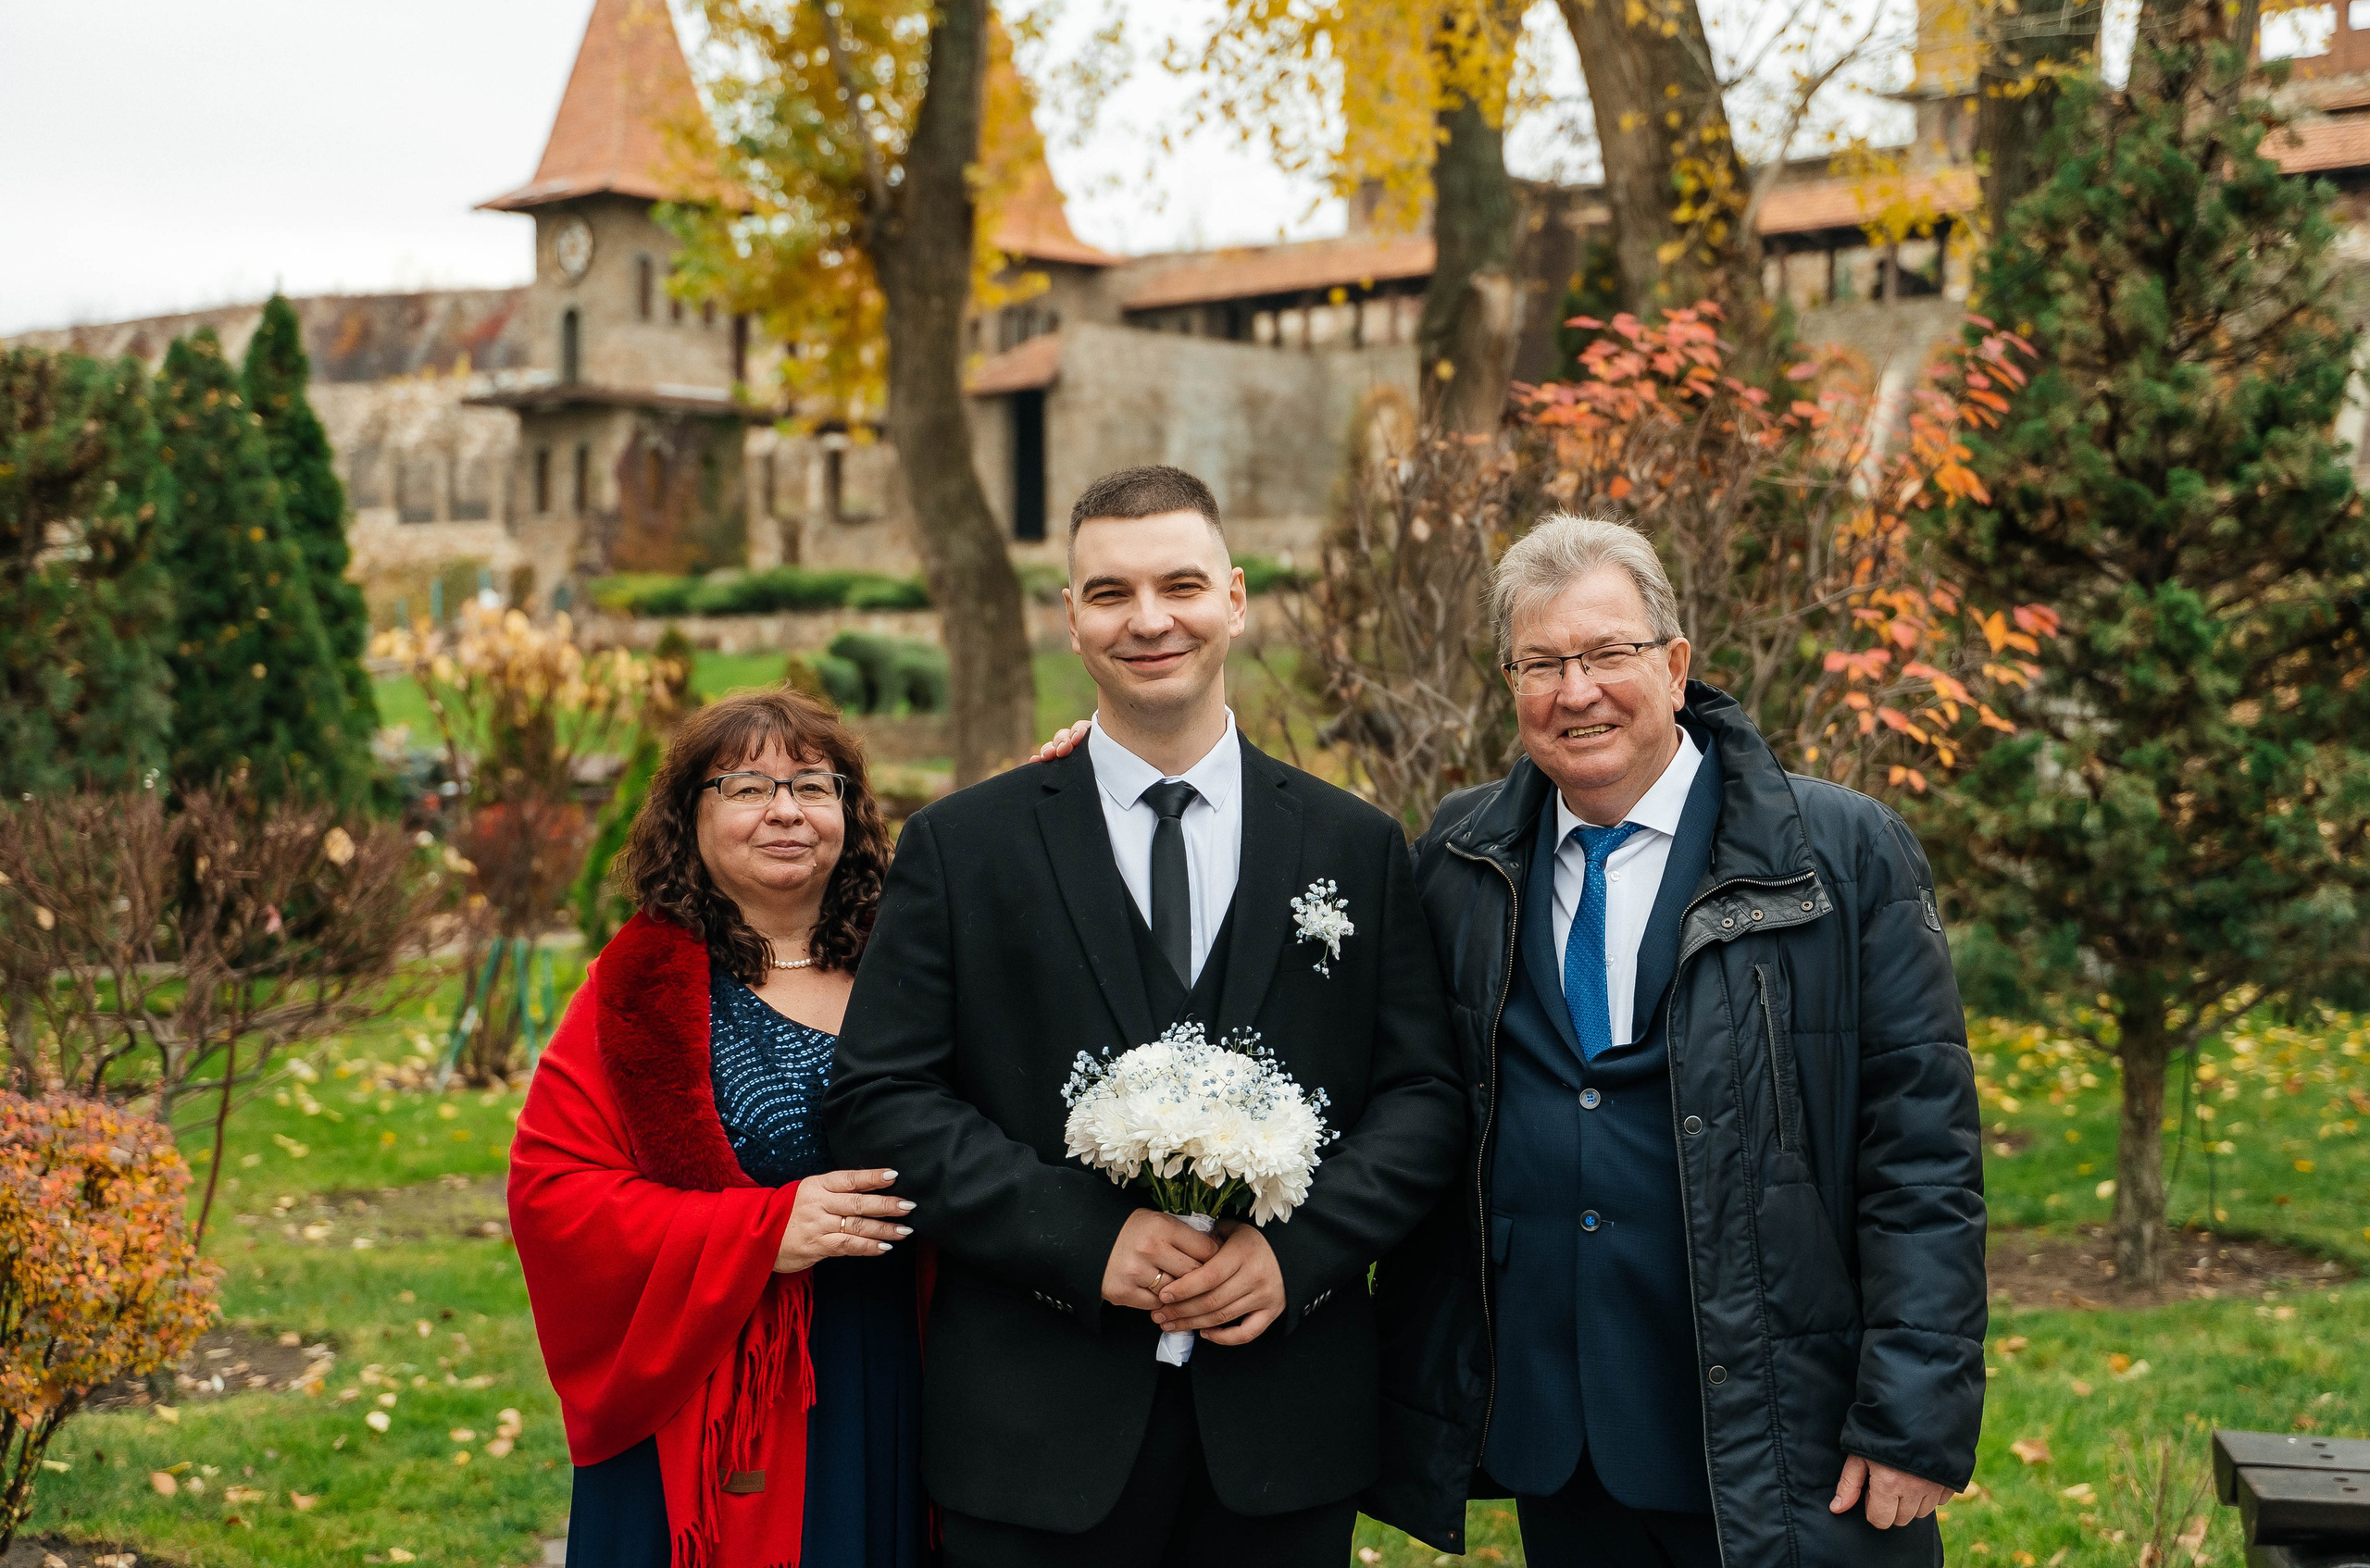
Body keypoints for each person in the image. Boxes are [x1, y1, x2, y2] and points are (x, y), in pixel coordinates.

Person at [823, 465, 1464, 1568]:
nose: (1149, 619)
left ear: (1236, 597)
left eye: (1179, 584)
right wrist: (1086, 1237)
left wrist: (1296, 1250)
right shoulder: (962, 848)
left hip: (1280, 1428)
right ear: (1069, 616)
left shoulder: (1354, 845)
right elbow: (881, 1100)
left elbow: (1422, 1097)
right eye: (1110, 592)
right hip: (1031, 1430)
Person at [1363, 515, 1986, 1567]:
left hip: (1794, 1434)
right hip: (1562, 1442)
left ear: (1675, 663)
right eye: (1542, 662)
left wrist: (1911, 1415)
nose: (1576, 689)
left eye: (1608, 653)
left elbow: (1922, 1153)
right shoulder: (1460, 861)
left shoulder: (1840, 855)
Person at [509, 689, 931, 1568]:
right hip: (724, 1397)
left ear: (848, 814)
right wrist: (762, 1233)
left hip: (902, 1369)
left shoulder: (918, 963)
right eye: (744, 788)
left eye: (814, 786)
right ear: (687, 818)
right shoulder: (639, 994)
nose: (785, 810)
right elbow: (554, 1198)